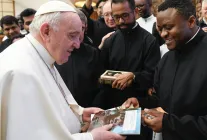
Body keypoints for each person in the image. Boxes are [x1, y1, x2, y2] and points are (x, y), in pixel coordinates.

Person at [123, 0, 207, 139]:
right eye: (160, 29)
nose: (163, 34)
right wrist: (141, 103)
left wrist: (169, 124)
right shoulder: (166, 59)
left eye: (169, 27)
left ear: (190, 22)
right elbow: (163, 99)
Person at [0, 1, 126, 140]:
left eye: (80, 36)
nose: (78, 45)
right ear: (46, 31)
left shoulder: (40, 55)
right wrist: (91, 137)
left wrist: (79, 113)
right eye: (72, 36)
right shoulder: (20, 72)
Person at [95, 0, 160, 139]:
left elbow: (153, 75)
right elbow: (100, 72)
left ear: (135, 12)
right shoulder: (110, 41)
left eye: (125, 16)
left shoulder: (149, 41)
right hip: (112, 108)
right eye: (116, 17)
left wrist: (134, 76)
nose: (120, 21)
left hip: (138, 107)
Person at [56, 9, 110, 107]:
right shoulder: (54, 53)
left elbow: (102, 86)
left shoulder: (93, 53)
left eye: (82, 28)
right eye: (74, 30)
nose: (79, 33)